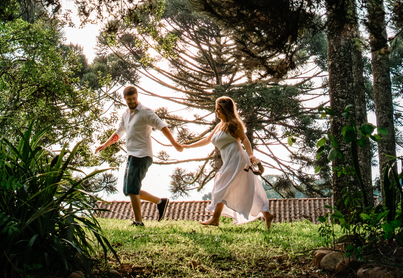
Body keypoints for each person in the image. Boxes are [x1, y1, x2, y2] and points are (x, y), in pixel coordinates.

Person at [95, 85, 183, 226]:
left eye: (134, 98)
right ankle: (160, 202)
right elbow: (119, 132)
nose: (132, 101)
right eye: (129, 99)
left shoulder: (145, 112)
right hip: (131, 155)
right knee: (128, 190)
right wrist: (105, 145)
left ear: (137, 96)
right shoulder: (125, 114)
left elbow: (162, 126)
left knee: (132, 189)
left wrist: (175, 144)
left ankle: (138, 221)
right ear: (124, 99)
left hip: (142, 155)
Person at [182, 96, 273, 229]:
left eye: (219, 109)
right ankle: (267, 214)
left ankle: (215, 218)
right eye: (216, 109)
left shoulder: (234, 124)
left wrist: (251, 154)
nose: (216, 112)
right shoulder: (220, 125)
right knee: (248, 189)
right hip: (229, 160)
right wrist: (187, 146)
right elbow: (207, 140)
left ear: (226, 110)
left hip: (237, 159)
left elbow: (245, 140)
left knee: (222, 185)